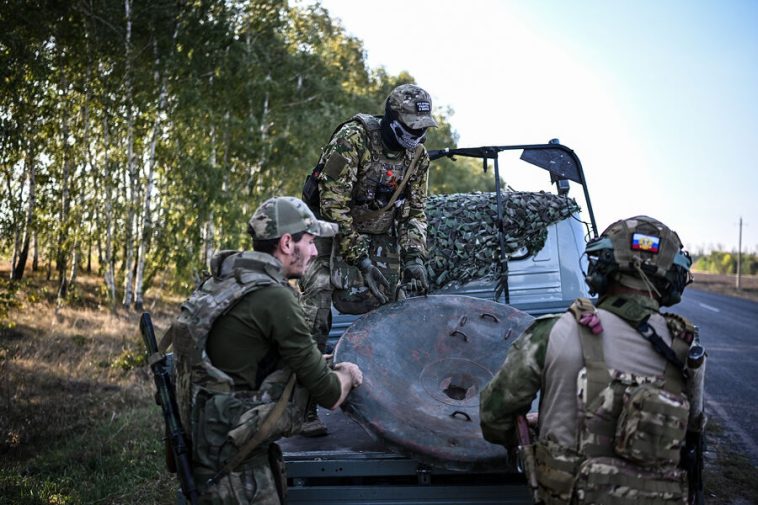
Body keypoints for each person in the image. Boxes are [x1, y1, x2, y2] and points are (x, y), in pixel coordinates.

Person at [480, 215, 706, 505]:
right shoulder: (685, 346)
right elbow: (689, 430)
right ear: (673, 281)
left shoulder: (554, 331)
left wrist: (539, 431)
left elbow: (494, 417)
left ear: (599, 267)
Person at [167, 196, 363, 505]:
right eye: (310, 242)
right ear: (287, 243)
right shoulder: (275, 297)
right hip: (237, 468)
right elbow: (330, 395)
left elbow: (247, 357)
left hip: (208, 447)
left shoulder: (227, 280)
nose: (314, 252)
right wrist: (348, 373)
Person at [299, 83, 437, 436]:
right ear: (392, 120)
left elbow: (415, 212)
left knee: (399, 310)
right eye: (411, 127)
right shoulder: (353, 138)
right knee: (314, 313)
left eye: (423, 128)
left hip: (377, 232)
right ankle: (303, 409)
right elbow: (332, 205)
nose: (417, 135)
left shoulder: (418, 157)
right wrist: (359, 261)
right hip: (327, 230)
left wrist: (414, 258)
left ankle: (396, 405)